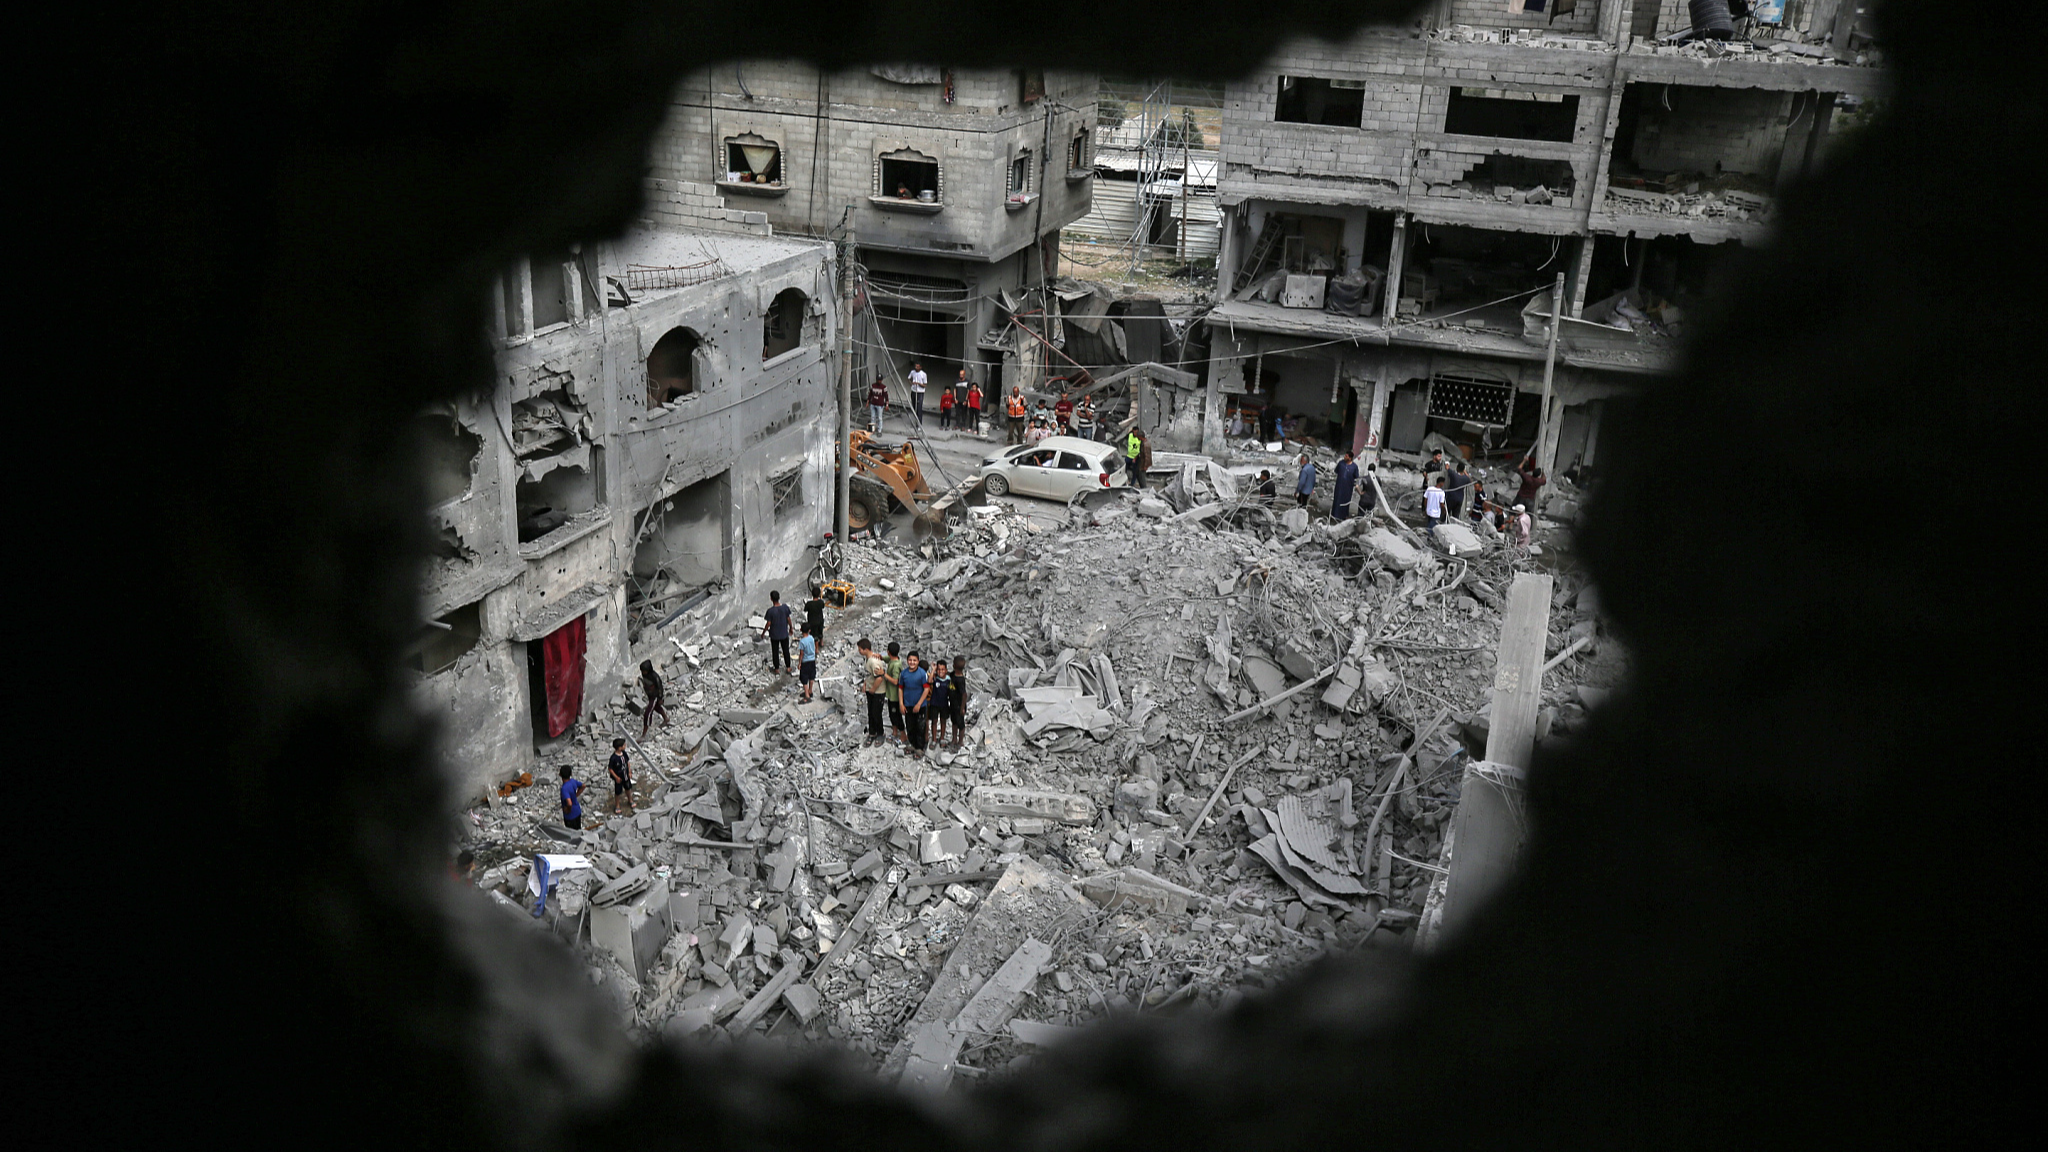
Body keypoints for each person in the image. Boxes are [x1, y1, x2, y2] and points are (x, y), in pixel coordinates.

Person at [898, 651, 931, 758]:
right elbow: (900, 689)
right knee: (910, 725)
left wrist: (919, 704)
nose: (912, 662)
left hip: (920, 706)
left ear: (918, 661)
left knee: (920, 727)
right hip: (908, 705)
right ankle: (912, 744)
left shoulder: (922, 674)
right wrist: (901, 704)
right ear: (907, 661)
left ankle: (920, 748)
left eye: (914, 660)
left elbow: (926, 689)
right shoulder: (904, 674)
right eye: (910, 660)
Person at [858, 638, 886, 746]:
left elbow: (879, 677)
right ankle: (872, 732)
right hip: (871, 690)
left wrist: (873, 690)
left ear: (865, 649)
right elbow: (869, 675)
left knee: (876, 713)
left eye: (860, 649)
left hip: (877, 692)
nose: (859, 651)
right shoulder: (868, 659)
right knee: (871, 712)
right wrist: (866, 685)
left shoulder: (873, 661)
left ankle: (880, 733)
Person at [762, 590, 793, 674]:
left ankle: (777, 668)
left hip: (774, 635)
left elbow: (768, 623)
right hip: (784, 634)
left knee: (775, 651)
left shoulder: (770, 611)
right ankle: (788, 667)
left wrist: (763, 632)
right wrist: (791, 628)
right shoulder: (785, 607)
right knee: (786, 650)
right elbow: (788, 619)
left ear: (771, 599)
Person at [638, 659, 668, 739]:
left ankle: (644, 734)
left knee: (647, 714)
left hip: (654, 696)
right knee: (656, 707)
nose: (643, 672)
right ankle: (666, 719)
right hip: (650, 695)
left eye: (644, 671)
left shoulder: (655, 677)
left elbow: (660, 687)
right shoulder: (645, 675)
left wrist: (660, 698)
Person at [884, 641, 906, 744]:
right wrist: (880, 657)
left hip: (895, 696)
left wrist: (883, 674)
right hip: (891, 695)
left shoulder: (896, 666)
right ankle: (894, 732)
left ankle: (902, 735)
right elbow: (888, 659)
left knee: (896, 715)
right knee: (892, 715)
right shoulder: (895, 660)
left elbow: (895, 681)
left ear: (888, 652)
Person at [925, 658, 951, 746]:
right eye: (939, 669)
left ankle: (942, 738)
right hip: (934, 704)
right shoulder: (935, 678)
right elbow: (929, 681)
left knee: (943, 721)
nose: (941, 671)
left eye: (943, 669)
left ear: (946, 670)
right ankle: (934, 739)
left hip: (944, 704)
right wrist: (933, 670)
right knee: (934, 721)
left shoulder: (948, 680)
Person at [606, 737, 633, 816]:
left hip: (626, 776)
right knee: (618, 792)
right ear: (619, 747)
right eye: (624, 745)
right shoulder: (613, 758)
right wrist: (616, 777)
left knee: (628, 788)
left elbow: (627, 762)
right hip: (619, 778)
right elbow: (610, 769)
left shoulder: (624, 753)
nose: (625, 746)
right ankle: (617, 805)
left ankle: (630, 800)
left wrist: (630, 772)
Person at [947, 656, 969, 748]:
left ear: (953, 665)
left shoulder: (960, 680)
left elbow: (964, 695)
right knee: (954, 722)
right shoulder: (953, 675)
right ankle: (954, 739)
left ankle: (960, 741)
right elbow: (948, 674)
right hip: (953, 704)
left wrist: (962, 708)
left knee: (961, 724)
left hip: (959, 706)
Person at [1332, 451, 1359, 520]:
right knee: (1337, 500)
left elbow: (1356, 477)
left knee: (1345, 502)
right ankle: (1334, 515)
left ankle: (1343, 516)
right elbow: (1336, 471)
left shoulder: (1354, 467)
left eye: (1346, 456)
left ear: (1350, 458)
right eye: (1345, 456)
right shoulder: (1341, 463)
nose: (1345, 457)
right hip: (1339, 486)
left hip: (1348, 488)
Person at [558, 765, 584, 831]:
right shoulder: (573, 781)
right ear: (571, 774)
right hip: (577, 811)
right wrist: (576, 795)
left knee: (571, 833)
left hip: (570, 816)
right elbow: (583, 786)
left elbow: (569, 803)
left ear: (560, 775)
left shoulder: (564, 789)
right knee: (578, 830)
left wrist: (568, 810)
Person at [797, 624, 818, 703]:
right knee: (811, 676)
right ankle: (810, 691)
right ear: (809, 630)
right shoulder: (811, 638)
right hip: (812, 660)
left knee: (804, 678)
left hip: (805, 661)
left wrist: (799, 663)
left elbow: (801, 653)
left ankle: (807, 696)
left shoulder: (802, 641)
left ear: (800, 630)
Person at [1424, 475, 1448, 545]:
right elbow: (1441, 504)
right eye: (1443, 483)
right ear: (1441, 483)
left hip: (1428, 511)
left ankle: (1428, 538)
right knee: (1432, 528)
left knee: (1429, 524)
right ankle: (1428, 541)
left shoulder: (1429, 489)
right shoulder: (1441, 492)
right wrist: (1444, 510)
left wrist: (1425, 509)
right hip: (1435, 513)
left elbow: (1425, 500)